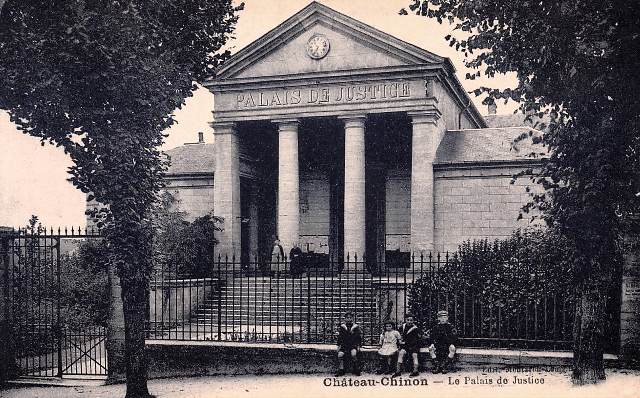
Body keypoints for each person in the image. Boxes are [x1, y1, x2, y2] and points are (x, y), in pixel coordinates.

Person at [336, 312, 362, 376]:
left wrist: (358, 346)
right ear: (345, 319)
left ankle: (356, 368)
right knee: (340, 355)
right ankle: (341, 369)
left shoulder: (355, 327)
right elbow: (340, 337)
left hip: (353, 345)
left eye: (350, 318)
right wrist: (339, 345)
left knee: (353, 354)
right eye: (347, 318)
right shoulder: (342, 327)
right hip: (345, 345)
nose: (349, 319)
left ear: (353, 319)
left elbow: (358, 337)